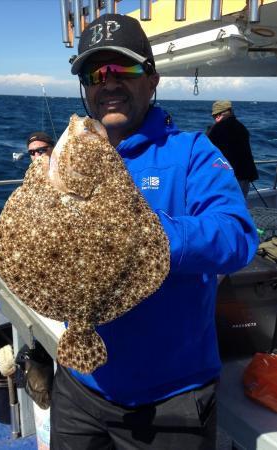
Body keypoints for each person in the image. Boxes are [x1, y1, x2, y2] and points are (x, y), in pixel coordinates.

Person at [49, 13, 259, 450]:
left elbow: (238, 236)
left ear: (152, 79)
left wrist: (147, 232)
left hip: (170, 401)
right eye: (95, 72)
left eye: (122, 69)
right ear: (86, 86)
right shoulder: (68, 158)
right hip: (76, 383)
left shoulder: (193, 154)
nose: (108, 82)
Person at [206, 100, 258, 198]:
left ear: (218, 115)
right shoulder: (242, 128)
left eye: (215, 116)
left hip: (225, 177)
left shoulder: (215, 130)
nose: (214, 118)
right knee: (240, 206)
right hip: (244, 176)